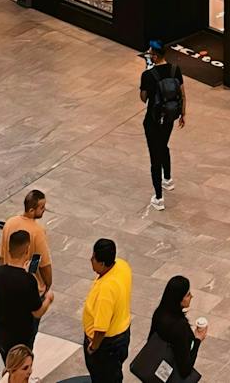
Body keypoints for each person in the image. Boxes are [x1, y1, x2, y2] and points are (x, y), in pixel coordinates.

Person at [0, 226, 54, 363]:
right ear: (27, 251)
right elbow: (37, 312)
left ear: (9, 249)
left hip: (1, 333)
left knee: (9, 365)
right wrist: (48, 299)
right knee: (20, 367)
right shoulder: (28, 281)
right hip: (20, 337)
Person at [132, 275, 205, 383]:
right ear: (179, 299)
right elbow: (185, 369)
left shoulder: (159, 313)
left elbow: (151, 342)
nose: (191, 296)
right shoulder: (180, 326)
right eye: (188, 294)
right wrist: (198, 339)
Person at [139, 42, 185, 210]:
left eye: (150, 54)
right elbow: (183, 94)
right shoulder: (175, 69)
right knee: (164, 145)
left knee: (154, 156)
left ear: (155, 56)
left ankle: (158, 198)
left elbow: (143, 98)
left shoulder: (148, 75)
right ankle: (168, 179)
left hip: (153, 120)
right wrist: (182, 115)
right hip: (169, 118)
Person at [82, 238, 132, 383]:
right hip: (122, 334)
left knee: (104, 377)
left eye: (93, 258)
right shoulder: (122, 266)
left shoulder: (106, 290)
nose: (90, 259)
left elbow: (101, 328)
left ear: (102, 264)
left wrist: (93, 347)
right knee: (114, 374)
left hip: (106, 346)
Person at [0, 189, 53, 296]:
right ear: (32, 210)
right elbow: (44, 264)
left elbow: (1, 255)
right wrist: (47, 285)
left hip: (8, 282)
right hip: (30, 287)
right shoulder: (37, 231)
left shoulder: (9, 223)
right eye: (41, 207)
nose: (44, 210)